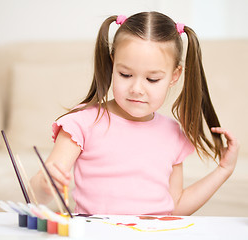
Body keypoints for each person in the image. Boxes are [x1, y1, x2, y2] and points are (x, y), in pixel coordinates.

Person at [30, 11, 239, 215]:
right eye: (126, 74)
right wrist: (45, 184)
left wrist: (223, 171)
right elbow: (35, 195)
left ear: (174, 76)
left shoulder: (173, 132)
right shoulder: (82, 123)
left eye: (152, 79)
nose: (137, 88)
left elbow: (175, 207)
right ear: (112, 64)